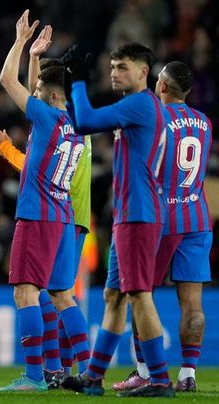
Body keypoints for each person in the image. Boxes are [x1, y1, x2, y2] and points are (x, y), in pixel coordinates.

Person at [62, 41, 174, 398]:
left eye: (123, 67)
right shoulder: (140, 106)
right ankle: (93, 378)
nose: (114, 73)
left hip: (139, 214)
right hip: (130, 214)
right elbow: (80, 122)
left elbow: (86, 122)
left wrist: (78, 82)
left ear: (143, 72)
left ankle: (160, 380)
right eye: (112, 67)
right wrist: (73, 88)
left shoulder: (139, 104)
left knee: (139, 295)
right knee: (114, 295)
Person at [0, 12, 83, 393]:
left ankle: (33, 377)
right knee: (62, 295)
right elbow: (36, 92)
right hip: (62, 215)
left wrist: (19, 41)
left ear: (54, 96)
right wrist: (34, 57)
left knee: (25, 292)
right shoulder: (75, 124)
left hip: (37, 214)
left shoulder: (46, 117)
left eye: (42, 89)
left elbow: (6, 80)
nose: (36, 92)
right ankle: (87, 371)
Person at [113, 61, 213, 393]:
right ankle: (188, 374)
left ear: (163, 86)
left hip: (159, 218)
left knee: (141, 295)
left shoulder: (156, 118)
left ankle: (144, 370)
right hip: (197, 217)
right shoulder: (204, 122)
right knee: (193, 305)